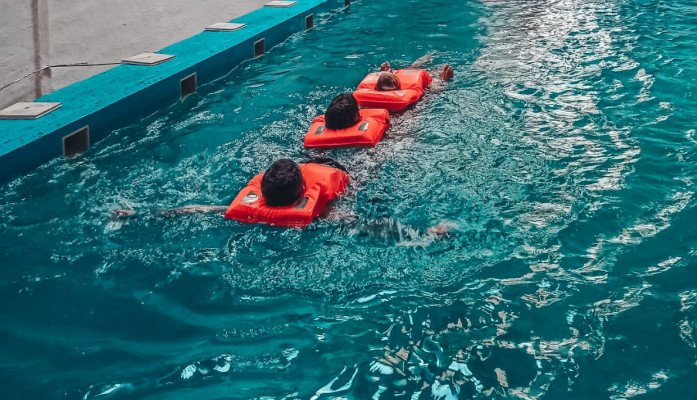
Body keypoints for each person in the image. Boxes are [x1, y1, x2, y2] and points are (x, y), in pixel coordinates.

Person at [113, 156, 450, 243]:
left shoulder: (237, 210)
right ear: (305, 192)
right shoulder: (325, 216)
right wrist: (425, 233)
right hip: (334, 197)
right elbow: (376, 228)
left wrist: (139, 214)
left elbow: (189, 211)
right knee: (369, 170)